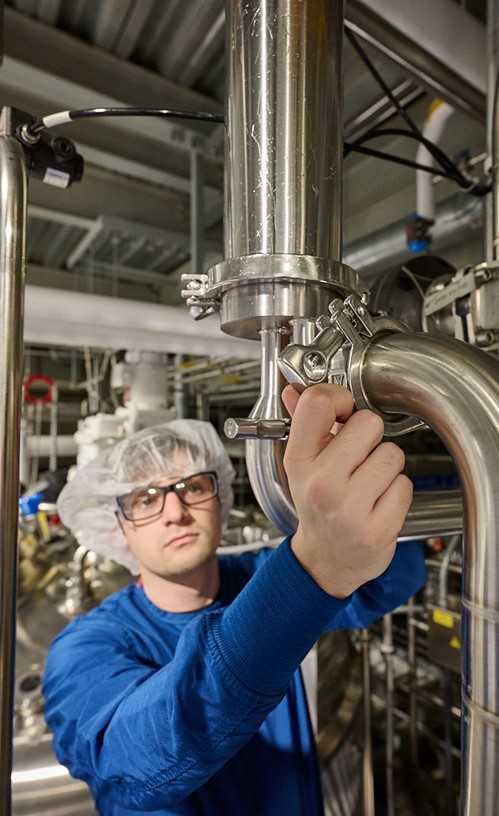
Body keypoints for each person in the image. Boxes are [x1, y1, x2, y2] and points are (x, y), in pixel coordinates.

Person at [42, 383, 426, 816]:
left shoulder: (257, 576)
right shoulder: (84, 648)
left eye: (191, 486)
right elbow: (133, 761)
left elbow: (389, 581)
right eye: (144, 499)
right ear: (117, 528)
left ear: (220, 500)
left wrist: (359, 495)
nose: (175, 511)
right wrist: (314, 565)